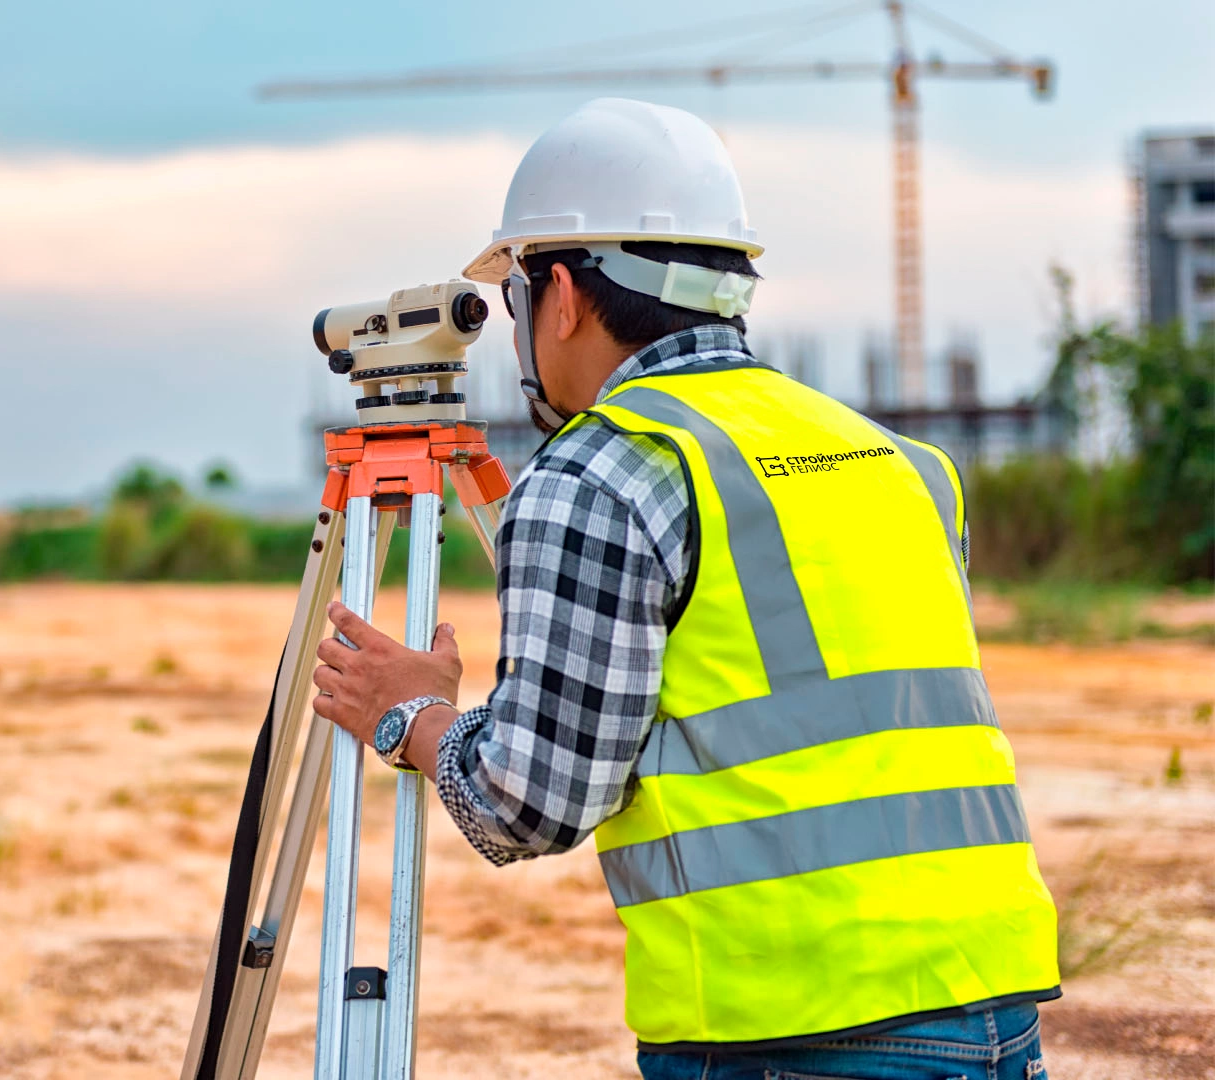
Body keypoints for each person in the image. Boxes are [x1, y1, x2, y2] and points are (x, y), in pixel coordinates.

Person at [310, 98, 1058, 1079]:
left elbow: (527, 804)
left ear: (564, 295)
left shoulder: (601, 473)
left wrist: (411, 716)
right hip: (993, 1005)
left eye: (520, 297)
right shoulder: (900, 462)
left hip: (791, 1034)